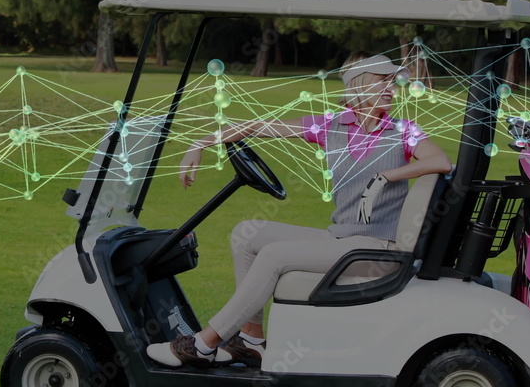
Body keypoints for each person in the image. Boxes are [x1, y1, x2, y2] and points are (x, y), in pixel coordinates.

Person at [147, 53, 453, 368]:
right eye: (382, 81)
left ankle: (203, 344)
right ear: (359, 85)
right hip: (342, 238)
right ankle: (251, 340)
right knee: (246, 234)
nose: (392, 88)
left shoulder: (403, 130)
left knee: (274, 255)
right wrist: (200, 143)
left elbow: (440, 161)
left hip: (378, 249)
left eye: (392, 82)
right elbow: (260, 126)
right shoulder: (331, 126)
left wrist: (385, 176)